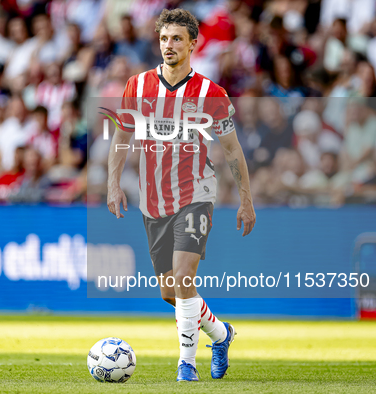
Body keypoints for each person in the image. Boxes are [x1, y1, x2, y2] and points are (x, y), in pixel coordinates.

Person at [106, 9, 255, 382]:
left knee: (185, 276)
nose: (168, 46)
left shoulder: (210, 93)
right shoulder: (137, 87)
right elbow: (120, 140)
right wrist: (112, 184)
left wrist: (246, 199)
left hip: (196, 193)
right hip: (153, 198)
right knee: (171, 293)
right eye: (163, 39)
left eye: (176, 39)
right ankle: (221, 335)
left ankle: (186, 365)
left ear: (193, 43)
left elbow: (233, 151)